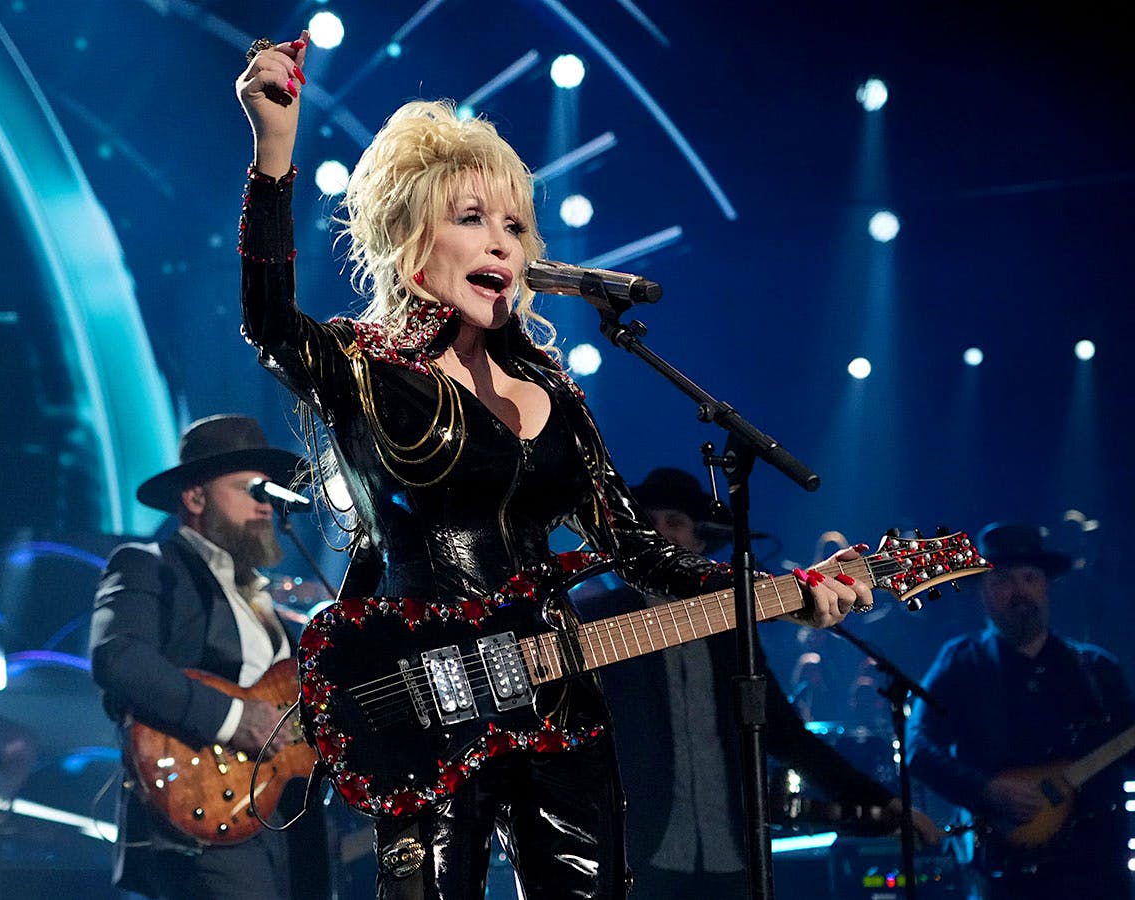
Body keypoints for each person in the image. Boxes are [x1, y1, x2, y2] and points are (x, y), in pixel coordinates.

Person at [234, 32, 870, 899]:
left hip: (557, 702)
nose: (501, 243)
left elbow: (643, 555)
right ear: (411, 238)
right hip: (428, 701)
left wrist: (790, 593)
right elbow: (272, 323)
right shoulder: (364, 367)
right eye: (471, 219)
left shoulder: (555, 392)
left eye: (514, 225)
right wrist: (276, 148)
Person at [586, 467, 938, 897]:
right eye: (648, 524)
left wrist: (882, 802)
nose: (660, 535)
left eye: (674, 523)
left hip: (732, 856)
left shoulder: (730, 628)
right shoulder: (596, 617)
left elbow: (785, 734)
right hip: (632, 858)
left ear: (700, 539)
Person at [904, 522, 1135, 900]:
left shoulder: (1096, 668)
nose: (1019, 592)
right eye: (1003, 581)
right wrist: (985, 792)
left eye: (1030, 578)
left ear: (1046, 587)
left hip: (1094, 870)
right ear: (982, 594)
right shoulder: (961, 663)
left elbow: (1134, 749)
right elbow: (918, 747)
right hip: (1005, 873)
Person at [88, 414, 316, 900]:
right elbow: (118, 658)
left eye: (270, 492)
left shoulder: (263, 600)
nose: (265, 506)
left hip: (281, 815)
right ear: (195, 497)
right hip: (202, 807)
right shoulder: (149, 565)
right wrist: (236, 718)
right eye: (250, 490)